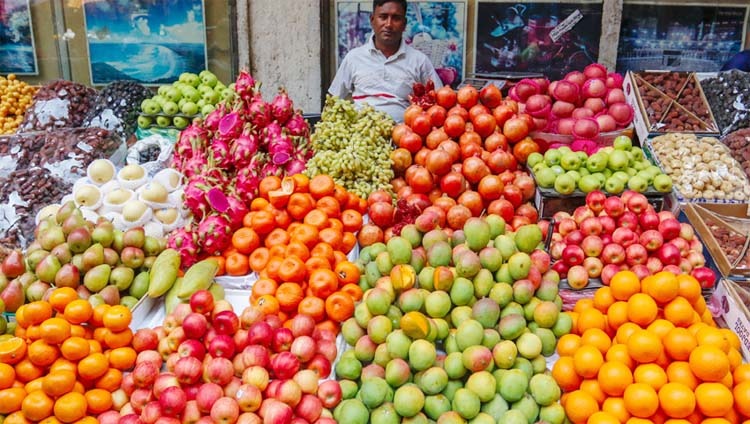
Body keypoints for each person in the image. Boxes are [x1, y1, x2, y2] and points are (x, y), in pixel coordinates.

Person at [329, 0, 443, 122]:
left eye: (396, 18)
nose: (388, 24)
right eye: (383, 17)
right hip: (361, 136)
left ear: (404, 24)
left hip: (405, 137)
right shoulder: (353, 58)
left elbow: (440, 100)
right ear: (372, 20)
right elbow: (333, 100)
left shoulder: (419, 61)